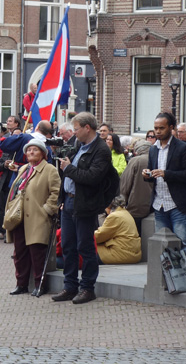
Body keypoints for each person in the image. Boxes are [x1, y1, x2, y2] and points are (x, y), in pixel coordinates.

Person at [54, 112, 114, 305]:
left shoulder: (101, 150)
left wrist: (69, 168)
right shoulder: (79, 145)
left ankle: (87, 288)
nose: (74, 132)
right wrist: (62, 198)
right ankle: (69, 286)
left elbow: (92, 178)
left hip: (85, 204)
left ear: (87, 128)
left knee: (85, 247)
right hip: (69, 202)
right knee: (67, 246)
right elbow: (68, 175)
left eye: (77, 128)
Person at [144, 112, 186, 273]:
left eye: (161, 128)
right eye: (155, 128)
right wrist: (147, 175)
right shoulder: (153, 150)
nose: (157, 131)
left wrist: (167, 174)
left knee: (183, 242)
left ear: (171, 127)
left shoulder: (183, 148)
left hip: (177, 204)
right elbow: (153, 175)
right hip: (159, 204)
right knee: (162, 244)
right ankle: (169, 278)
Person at [6, 138, 59, 296]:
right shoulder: (23, 169)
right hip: (19, 216)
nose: (31, 152)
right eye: (28, 150)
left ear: (43, 153)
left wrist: (47, 210)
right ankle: (21, 284)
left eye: (35, 150)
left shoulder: (49, 169)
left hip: (37, 217)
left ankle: (39, 284)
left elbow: (55, 192)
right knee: (19, 252)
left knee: (37, 252)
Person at [94, 195, 141, 265]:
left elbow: (99, 236)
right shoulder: (126, 213)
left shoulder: (115, 216)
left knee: (87, 249)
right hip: (132, 253)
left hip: (121, 253)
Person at [119, 140, 152, 235]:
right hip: (154, 205)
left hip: (136, 205)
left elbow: (125, 183)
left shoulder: (135, 160)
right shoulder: (158, 160)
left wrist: (122, 200)